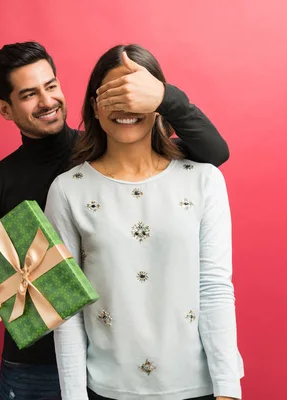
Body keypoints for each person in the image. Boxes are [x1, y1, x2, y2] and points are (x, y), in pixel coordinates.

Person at [0, 41, 231, 400]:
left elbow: (213, 154)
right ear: (5, 108)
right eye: (28, 94)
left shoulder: (115, 149)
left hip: (112, 359)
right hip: (36, 361)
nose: (46, 101)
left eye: (51, 86)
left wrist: (162, 96)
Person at [44, 44, 244, 400]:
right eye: (113, 94)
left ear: (158, 102)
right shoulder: (67, 190)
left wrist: (228, 389)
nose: (126, 105)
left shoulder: (204, 180)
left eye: (137, 92)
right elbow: (67, 310)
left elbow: (215, 287)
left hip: (196, 387)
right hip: (106, 389)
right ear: (94, 106)